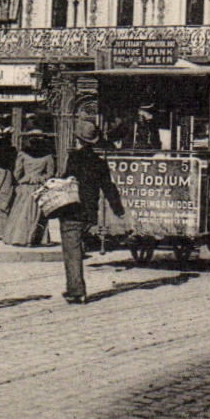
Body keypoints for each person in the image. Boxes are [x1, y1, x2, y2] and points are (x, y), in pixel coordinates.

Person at [53, 119, 129, 305]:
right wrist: (119, 210)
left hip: (72, 211)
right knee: (79, 248)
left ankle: (76, 291)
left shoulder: (73, 159)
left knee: (72, 252)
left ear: (78, 140)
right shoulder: (100, 163)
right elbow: (109, 188)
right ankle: (76, 288)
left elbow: (66, 182)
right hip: (90, 213)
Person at [3, 133, 57, 246]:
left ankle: (18, 237)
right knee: (36, 213)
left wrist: (26, 179)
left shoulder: (22, 154)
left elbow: (17, 173)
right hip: (39, 188)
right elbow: (50, 174)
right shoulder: (48, 156)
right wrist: (39, 178)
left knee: (21, 212)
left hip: (25, 187)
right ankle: (35, 238)